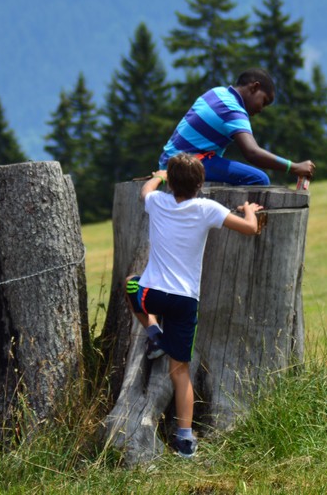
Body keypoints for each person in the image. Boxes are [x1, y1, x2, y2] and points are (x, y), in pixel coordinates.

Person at [124, 153, 263, 458]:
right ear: (201, 183)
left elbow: (144, 191)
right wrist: (249, 210)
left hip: (153, 296)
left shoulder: (157, 202)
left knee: (131, 283)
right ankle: (185, 438)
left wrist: (158, 175)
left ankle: (153, 333)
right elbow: (250, 229)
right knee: (180, 369)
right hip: (185, 301)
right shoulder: (206, 208)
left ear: (171, 183)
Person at [159, 68, 315, 186]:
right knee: (259, 179)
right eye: (264, 101)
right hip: (185, 164)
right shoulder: (233, 110)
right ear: (254, 87)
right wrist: (293, 167)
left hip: (170, 161)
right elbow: (252, 153)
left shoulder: (217, 92)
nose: (261, 109)